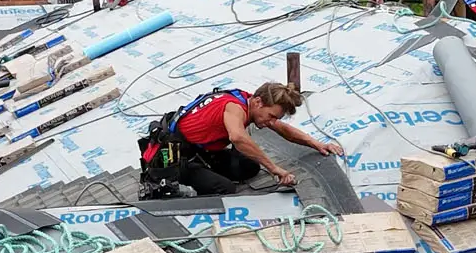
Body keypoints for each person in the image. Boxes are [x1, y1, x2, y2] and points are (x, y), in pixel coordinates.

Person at [139, 81, 343, 197]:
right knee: (225, 188)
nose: (272, 122)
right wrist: (275, 168)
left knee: (249, 166)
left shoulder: (246, 99)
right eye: (271, 116)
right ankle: (185, 189)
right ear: (258, 102)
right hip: (172, 159)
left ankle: (206, 172)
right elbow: (237, 137)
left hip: (200, 151)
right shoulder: (233, 107)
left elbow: (283, 130)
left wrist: (316, 144)